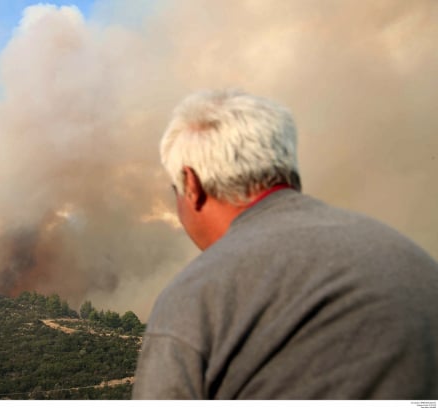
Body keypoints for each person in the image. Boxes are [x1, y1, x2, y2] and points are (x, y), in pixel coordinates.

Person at [132, 89, 438, 399]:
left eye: (175, 189)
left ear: (192, 185)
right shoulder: (413, 261)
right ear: (286, 167)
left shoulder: (198, 296)